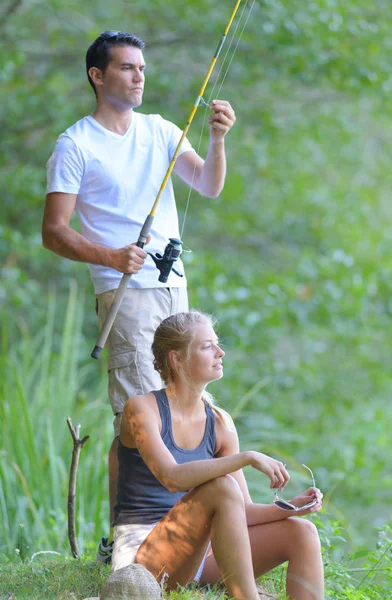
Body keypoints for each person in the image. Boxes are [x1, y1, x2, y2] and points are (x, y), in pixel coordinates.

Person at [42, 31, 236, 561]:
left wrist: (218, 139)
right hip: (124, 297)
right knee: (139, 415)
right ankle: (129, 543)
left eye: (142, 68)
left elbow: (210, 185)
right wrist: (110, 256)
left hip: (174, 290)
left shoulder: (161, 131)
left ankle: (190, 535)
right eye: (126, 68)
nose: (138, 76)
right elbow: (54, 231)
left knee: (189, 405)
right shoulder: (75, 144)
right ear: (97, 77)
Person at [113, 310, 325, 600]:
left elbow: (241, 511)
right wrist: (247, 457)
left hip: (204, 553)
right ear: (176, 358)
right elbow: (172, 478)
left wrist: (290, 508)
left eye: (217, 344)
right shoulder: (142, 409)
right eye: (206, 346)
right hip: (145, 556)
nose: (220, 352)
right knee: (222, 485)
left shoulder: (219, 423)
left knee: (302, 533)